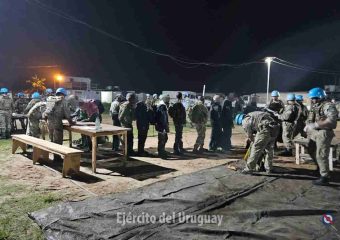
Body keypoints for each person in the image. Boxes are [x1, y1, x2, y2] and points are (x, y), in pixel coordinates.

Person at [304, 87, 338, 185]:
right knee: (310, 149)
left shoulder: (328, 105)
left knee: (321, 155)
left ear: (320, 96)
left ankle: (325, 177)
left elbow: (331, 120)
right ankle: (320, 167)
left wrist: (316, 125)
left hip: (324, 132)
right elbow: (311, 118)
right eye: (312, 98)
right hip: (315, 132)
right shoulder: (316, 106)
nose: (312, 100)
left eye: (314, 98)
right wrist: (308, 125)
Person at [42, 88, 73, 161]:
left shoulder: (50, 99)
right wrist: (71, 122)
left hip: (49, 123)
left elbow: (46, 111)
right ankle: (57, 158)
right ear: (64, 94)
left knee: (51, 139)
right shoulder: (63, 101)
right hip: (57, 124)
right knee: (58, 141)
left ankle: (53, 155)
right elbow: (67, 114)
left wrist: (46, 120)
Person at [155, 94, 170, 158]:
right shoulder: (162, 106)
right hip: (162, 126)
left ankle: (161, 150)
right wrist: (164, 127)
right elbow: (163, 117)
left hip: (160, 125)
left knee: (163, 138)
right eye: (167, 99)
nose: (168, 100)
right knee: (162, 139)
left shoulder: (161, 105)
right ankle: (161, 152)